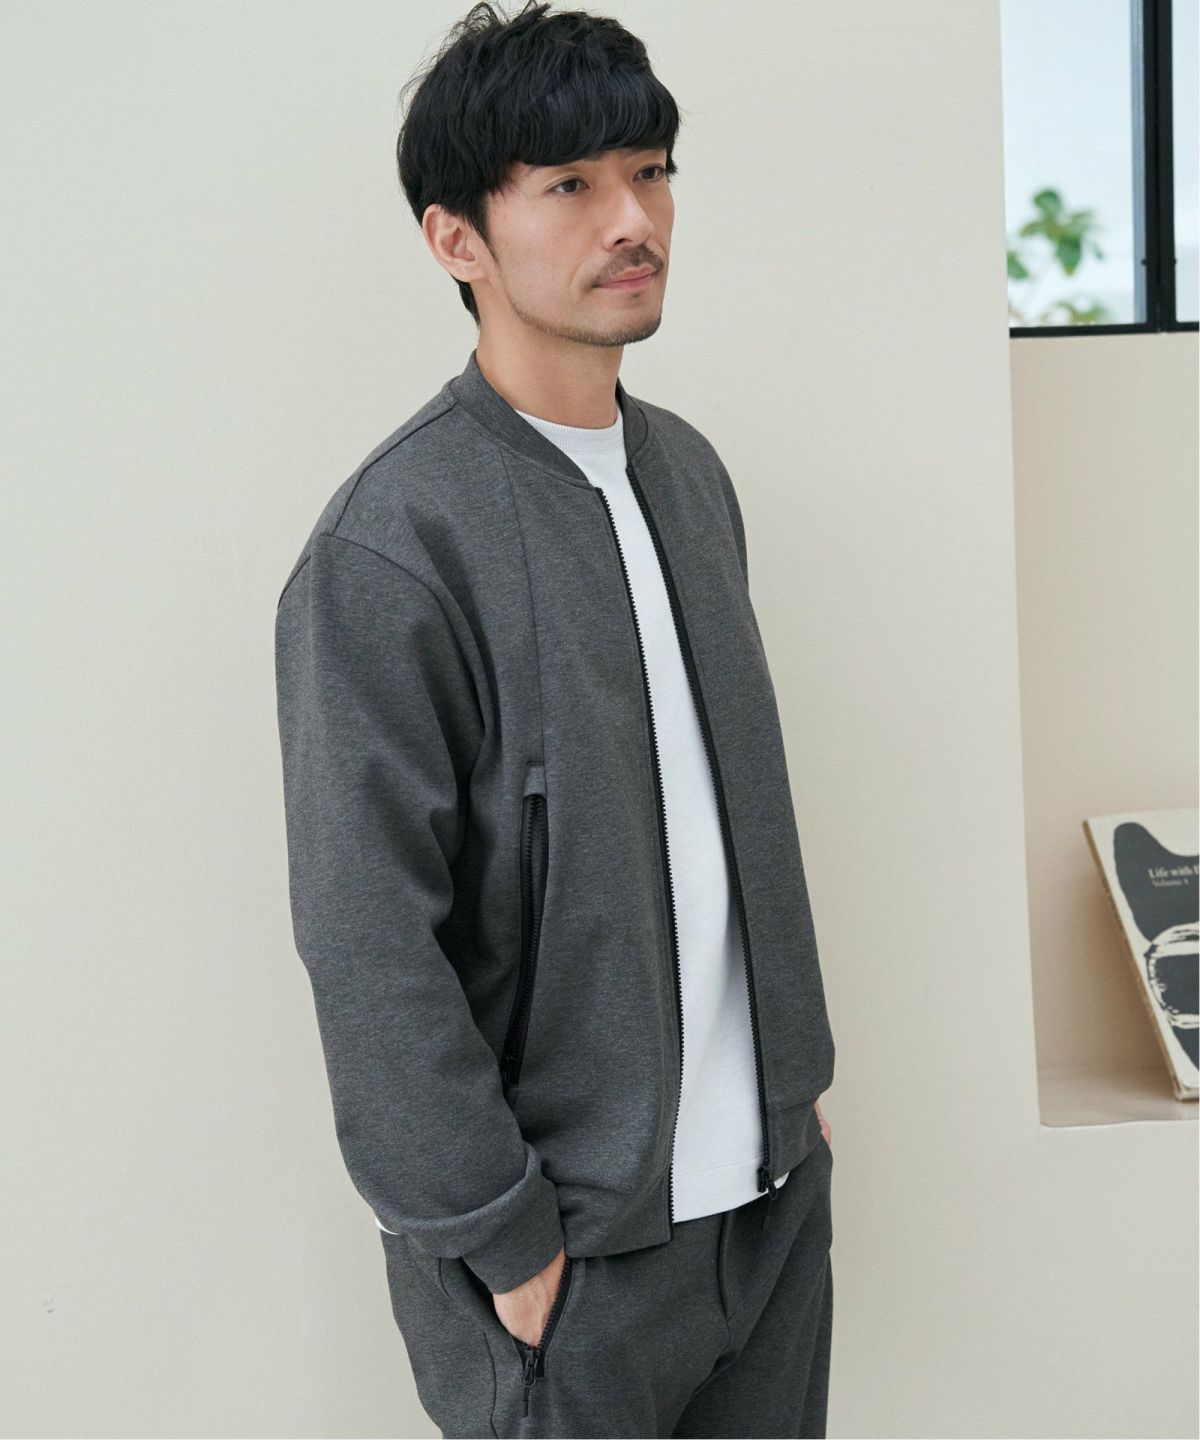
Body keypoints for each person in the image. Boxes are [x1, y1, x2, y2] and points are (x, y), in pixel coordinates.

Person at [273, 3, 836, 1434]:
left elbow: (719, 822)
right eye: (570, 184)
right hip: (569, 1260)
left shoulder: (689, 477)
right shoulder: (392, 546)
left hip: (767, 1215)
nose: (631, 219)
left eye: (649, 172)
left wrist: (789, 1098)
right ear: (455, 238)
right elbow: (365, 936)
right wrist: (499, 1231)